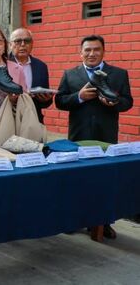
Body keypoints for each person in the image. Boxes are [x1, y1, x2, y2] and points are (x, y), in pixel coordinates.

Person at [55, 34, 133, 239]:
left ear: (103, 51)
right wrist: (79, 97)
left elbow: (128, 101)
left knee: (105, 181)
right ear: (80, 52)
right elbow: (60, 101)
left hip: (106, 135)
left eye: (96, 49)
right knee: (77, 179)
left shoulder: (118, 74)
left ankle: (103, 222)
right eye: (87, 50)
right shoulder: (70, 74)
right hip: (78, 135)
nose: (91, 53)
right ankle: (74, 219)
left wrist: (115, 103)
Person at [9, 27, 52, 123]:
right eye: (18, 41)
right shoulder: (3, 64)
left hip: (33, 119)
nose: (23, 44)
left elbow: (45, 104)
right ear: (10, 45)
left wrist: (46, 99)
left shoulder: (41, 66)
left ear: (32, 44)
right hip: (9, 118)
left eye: (27, 41)